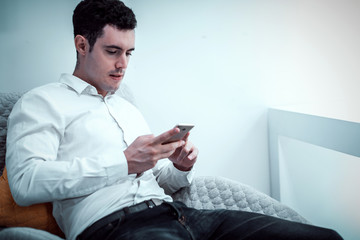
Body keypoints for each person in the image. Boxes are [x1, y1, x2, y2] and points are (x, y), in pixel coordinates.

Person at [5, 0, 343, 239]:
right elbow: (25, 184)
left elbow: (155, 179)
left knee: (325, 237)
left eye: (129, 52)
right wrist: (122, 162)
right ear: (82, 44)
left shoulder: (126, 108)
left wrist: (179, 167)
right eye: (112, 51)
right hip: (115, 227)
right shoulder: (40, 102)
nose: (123, 63)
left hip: (184, 216)